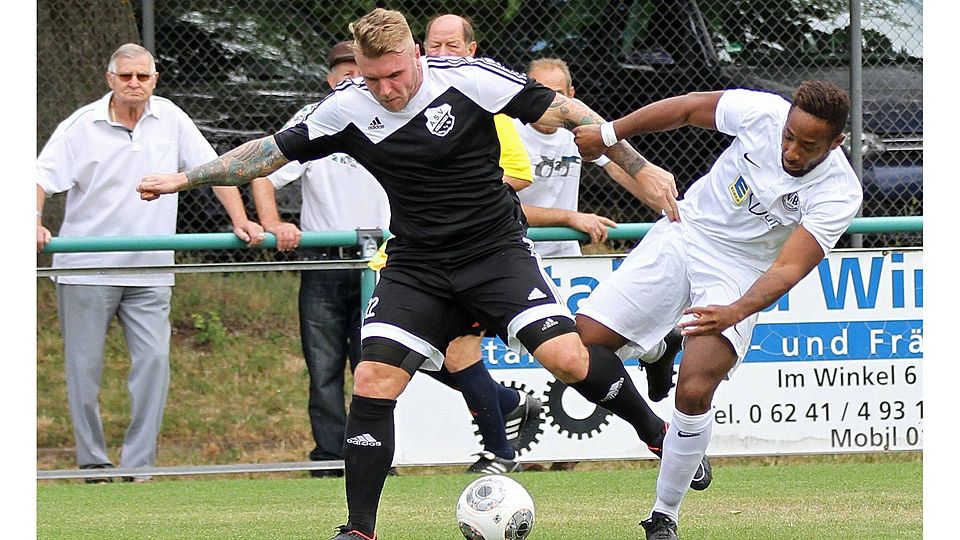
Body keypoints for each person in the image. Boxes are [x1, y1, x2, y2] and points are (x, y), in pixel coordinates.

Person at [136, 9, 679, 538]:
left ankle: (655, 431)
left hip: (495, 252)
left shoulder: (470, 80)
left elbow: (572, 114)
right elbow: (267, 154)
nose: (385, 89)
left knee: (566, 357)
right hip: (417, 264)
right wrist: (183, 179)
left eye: (395, 74)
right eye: (372, 78)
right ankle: (359, 530)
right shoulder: (346, 107)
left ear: (415, 55)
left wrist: (641, 167)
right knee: (372, 380)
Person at [573, 80, 862, 539]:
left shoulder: (839, 192)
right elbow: (687, 107)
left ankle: (664, 514)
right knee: (583, 348)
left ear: (836, 142)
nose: (791, 150)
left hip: (740, 272)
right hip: (686, 231)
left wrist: (735, 311)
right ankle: (656, 354)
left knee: (693, 389)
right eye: (789, 136)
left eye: (809, 146)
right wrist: (609, 133)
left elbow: (788, 268)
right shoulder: (763, 112)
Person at [36, 43, 264, 483]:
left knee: (155, 364)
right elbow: (39, 178)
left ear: (155, 80)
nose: (135, 84)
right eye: (126, 77)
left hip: (152, 270)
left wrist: (242, 220)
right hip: (87, 269)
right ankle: (94, 465)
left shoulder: (172, 119)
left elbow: (215, 169)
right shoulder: (81, 125)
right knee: (83, 369)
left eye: (143, 76)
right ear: (110, 80)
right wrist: (34, 221)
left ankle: (139, 468)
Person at [515, 57, 692, 473]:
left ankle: (560, 453)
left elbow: (622, 168)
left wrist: (667, 205)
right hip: (514, 259)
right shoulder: (509, 134)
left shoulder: (578, 135)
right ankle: (655, 348)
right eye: (540, 90)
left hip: (565, 263)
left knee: (576, 352)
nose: (549, 100)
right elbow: (503, 205)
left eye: (557, 92)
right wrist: (570, 218)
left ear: (571, 97)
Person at [249, 41, 392, 478]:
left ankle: (376, 457)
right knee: (324, 365)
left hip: (383, 261)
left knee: (379, 365)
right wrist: (275, 223)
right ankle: (330, 457)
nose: (349, 79)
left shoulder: (393, 115)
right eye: (341, 73)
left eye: (358, 72)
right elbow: (264, 174)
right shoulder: (313, 119)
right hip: (325, 262)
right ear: (329, 78)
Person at [419, 12, 544, 475]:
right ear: (420, 49)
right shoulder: (400, 102)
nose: (444, 55)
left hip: (475, 247)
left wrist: (458, 192)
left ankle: (500, 453)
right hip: (414, 248)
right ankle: (510, 402)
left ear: (471, 51)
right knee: (392, 351)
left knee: (459, 350)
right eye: (435, 46)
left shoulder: (481, 98)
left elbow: (519, 173)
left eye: (454, 46)